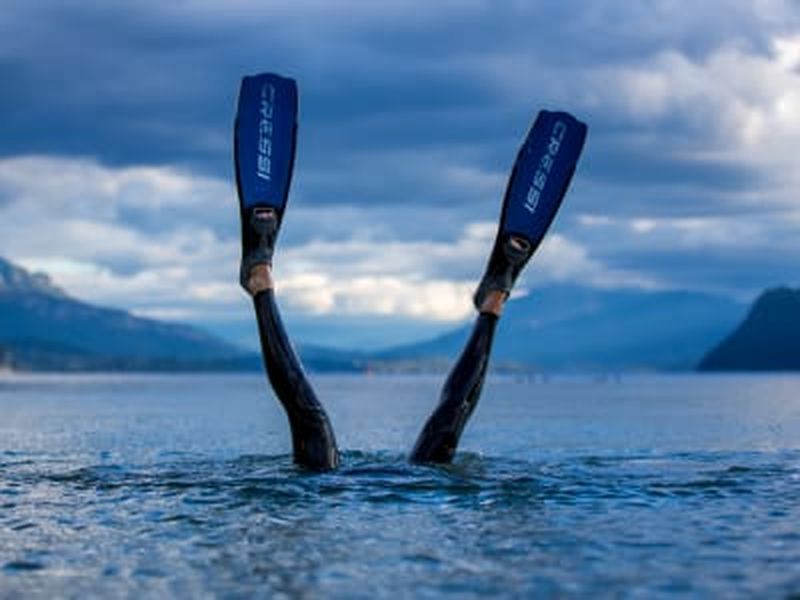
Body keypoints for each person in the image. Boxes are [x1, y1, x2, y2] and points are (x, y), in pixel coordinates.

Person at [235, 73, 587, 471]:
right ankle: (496, 294)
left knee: (312, 420)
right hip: (411, 484)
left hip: (334, 485)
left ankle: (260, 275)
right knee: (446, 420)